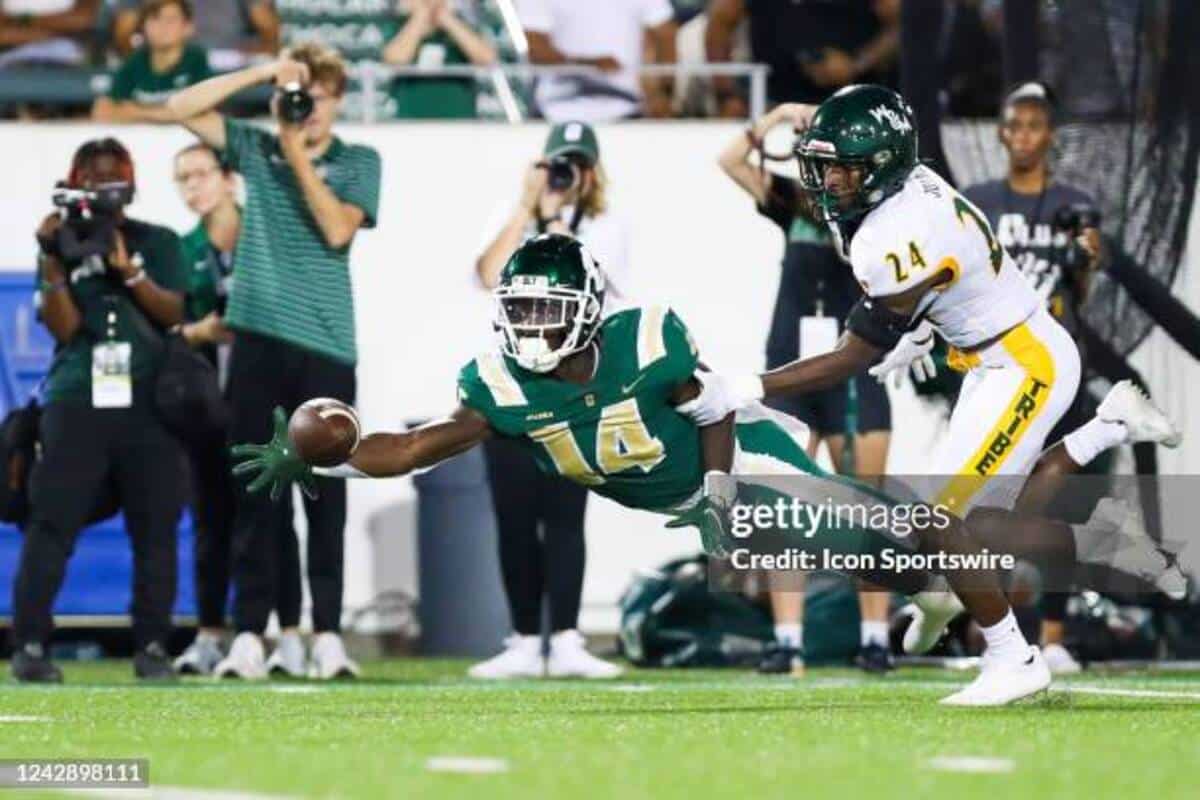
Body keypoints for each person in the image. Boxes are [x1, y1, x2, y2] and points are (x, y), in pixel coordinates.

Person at [233, 234, 1183, 706]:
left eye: (542, 310)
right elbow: (414, 446)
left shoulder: (647, 338)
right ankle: (1090, 450)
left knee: (930, 533)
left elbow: (714, 406)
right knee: (920, 558)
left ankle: (1025, 629)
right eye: (517, 311)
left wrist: (727, 498)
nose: (526, 328)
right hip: (695, 497)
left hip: (749, 467)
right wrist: (320, 455)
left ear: (588, 309)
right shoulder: (497, 383)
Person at [718, 84, 1182, 703]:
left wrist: (749, 385)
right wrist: (918, 329)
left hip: (1022, 362)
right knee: (969, 525)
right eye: (822, 166)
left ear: (881, 166)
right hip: (996, 354)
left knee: (944, 522)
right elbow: (950, 272)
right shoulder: (915, 188)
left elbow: (853, 356)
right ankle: (1105, 440)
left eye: (840, 169)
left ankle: (1014, 657)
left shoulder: (889, 234)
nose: (826, 181)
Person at [165, 41, 382, 680]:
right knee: (255, 495)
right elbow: (180, 105)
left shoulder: (359, 160)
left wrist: (292, 150)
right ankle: (250, 635)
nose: (307, 107)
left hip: (326, 344)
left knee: (325, 496)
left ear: (338, 99)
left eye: (319, 95)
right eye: (300, 94)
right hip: (258, 339)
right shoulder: (256, 148)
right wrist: (265, 73)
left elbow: (337, 229)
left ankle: (329, 634)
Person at [719, 102, 894, 675]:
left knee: (866, 507)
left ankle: (875, 637)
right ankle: (788, 641)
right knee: (780, 509)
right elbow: (728, 159)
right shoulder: (793, 203)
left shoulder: (875, 210)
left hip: (848, 371)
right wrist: (774, 120)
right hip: (791, 370)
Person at [11, 137, 187, 683]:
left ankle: (153, 646)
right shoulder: (60, 244)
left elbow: (174, 311)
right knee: (52, 523)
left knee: (154, 527)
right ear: (74, 184)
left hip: (149, 401)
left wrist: (127, 270)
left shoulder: (158, 241)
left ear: (129, 185)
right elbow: (63, 327)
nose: (101, 186)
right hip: (76, 400)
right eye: (91, 176)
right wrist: (50, 257)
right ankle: (31, 646)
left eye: (112, 176)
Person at [470, 122, 631, 679]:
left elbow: (601, 291)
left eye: (578, 165)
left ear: (593, 171)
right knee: (513, 516)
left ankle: (564, 636)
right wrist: (527, 207)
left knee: (565, 515)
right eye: (559, 163)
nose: (568, 175)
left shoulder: (607, 224)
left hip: (574, 391)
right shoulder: (513, 215)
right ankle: (520, 638)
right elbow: (489, 273)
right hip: (513, 387)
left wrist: (560, 222)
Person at [961, 82, 1104, 676]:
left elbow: (1085, 296)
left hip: (1057, 364)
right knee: (981, 503)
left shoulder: (1074, 201)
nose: (1023, 137)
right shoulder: (979, 203)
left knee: (1064, 503)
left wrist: (1089, 260)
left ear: (1050, 136)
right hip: (996, 370)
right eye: (1014, 125)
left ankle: (1053, 635)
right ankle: (991, 635)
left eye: (1034, 126)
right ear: (1001, 132)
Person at [169, 142, 305, 677]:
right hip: (210, 398)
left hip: (272, 393)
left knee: (275, 513)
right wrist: (199, 331)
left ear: (229, 179)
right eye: (183, 178)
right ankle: (210, 632)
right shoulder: (182, 250)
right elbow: (165, 327)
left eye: (201, 174)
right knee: (211, 515)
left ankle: (290, 633)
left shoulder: (268, 235)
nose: (193, 187)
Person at [705, 0, 900, 118]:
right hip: (775, 107)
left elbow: (900, 26)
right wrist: (727, 93)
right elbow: (719, 24)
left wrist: (856, 64)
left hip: (855, 107)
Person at [519, 0, 678, 121]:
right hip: (558, 109)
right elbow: (536, 50)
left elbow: (666, 34)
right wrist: (590, 65)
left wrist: (662, 90)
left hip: (627, 108)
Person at [93, 0, 212, 123]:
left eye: (171, 20)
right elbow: (103, 111)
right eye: (155, 18)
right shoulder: (135, 62)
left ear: (188, 27)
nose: (163, 26)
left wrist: (136, 111)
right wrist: (167, 113)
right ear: (143, 27)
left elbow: (200, 110)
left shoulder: (196, 60)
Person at [381, 0, 497, 120]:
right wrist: (420, 18)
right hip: (412, 122)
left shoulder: (464, 24)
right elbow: (396, 59)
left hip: (460, 121)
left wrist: (448, 21)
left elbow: (487, 58)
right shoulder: (399, 25)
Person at [112, 0, 278, 64]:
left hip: (222, 59)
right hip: (164, 58)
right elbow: (123, 31)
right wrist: (140, 63)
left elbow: (267, 26)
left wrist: (258, 53)